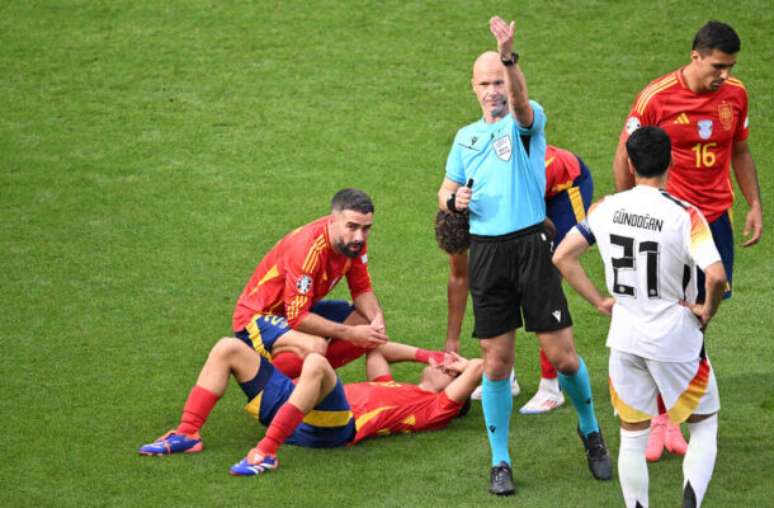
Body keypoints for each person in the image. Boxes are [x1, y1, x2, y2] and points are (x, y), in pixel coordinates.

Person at [436, 16, 611, 495]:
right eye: (486, 82)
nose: (494, 90)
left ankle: (591, 429)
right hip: (488, 253)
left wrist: (509, 55)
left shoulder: (525, 121)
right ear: (472, 88)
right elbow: (444, 191)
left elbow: (518, 101)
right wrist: (456, 202)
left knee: (564, 356)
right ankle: (500, 461)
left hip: (533, 246)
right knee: (496, 363)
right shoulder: (464, 138)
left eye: (499, 80)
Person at [612, 20, 762, 461]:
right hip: (668, 225)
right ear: (696, 56)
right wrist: (631, 210)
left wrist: (753, 203)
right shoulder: (656, 98)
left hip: (713, 223)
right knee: (666, 317)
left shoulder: (735, 95)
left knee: (699, 318)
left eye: (730, 67)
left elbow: (740, 149)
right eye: (718, 66)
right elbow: (625, 152)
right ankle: (661, 418)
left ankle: (683, 409)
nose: (724, 75)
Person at [554, 126, 727, 508]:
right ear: (673, 162)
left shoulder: (606, 208)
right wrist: (705, 311)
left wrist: (600, 300)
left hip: (625, 338)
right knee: (705, 425)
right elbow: (715, 275)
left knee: (631, 436)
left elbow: (562, 256)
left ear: (630, 165)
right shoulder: (686, 215)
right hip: (676, 339)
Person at [138, 337, 483, 476]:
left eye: (450, 372)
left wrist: (461, 366)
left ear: (457, 394)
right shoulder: (391, 385)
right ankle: (187, 432)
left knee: (316, 363)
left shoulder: (436, 408)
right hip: (300, 410)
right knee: (228, 347)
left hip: (335, 428)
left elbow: (482, 366)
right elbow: (376, 349)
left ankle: (266, 451)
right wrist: (426, 355)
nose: (444, 367)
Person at [437, 143, 595, 414]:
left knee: (545, 277)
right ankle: (504, 373)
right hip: (525, 187)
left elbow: (547, 228)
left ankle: (551, 386)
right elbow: (460, 278)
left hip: (564, 186)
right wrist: (452, 340)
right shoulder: (458, 209)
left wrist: (543, 249)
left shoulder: (510, 203)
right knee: (494, 280)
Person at [231, 188, 390, 379]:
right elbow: (297, 317)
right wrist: (349, 333)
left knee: (367, 324)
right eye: (352, 227)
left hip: (298, 307)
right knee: (315, 346)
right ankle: (267, 385)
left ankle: (304, 380)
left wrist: (376, 319)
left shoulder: (353, 244)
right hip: (257, 317)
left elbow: (361, 289)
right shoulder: (307, 250)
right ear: (333, 220)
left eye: (366, 228)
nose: (359, 236)